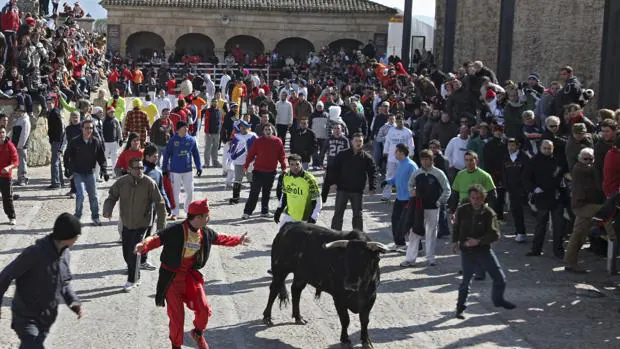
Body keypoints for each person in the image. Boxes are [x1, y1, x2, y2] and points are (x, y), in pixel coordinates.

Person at [134, 199, 250, 349]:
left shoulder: (206, 232)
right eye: (207, 215)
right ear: (198, 217)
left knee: (204, 309)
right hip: (172, 278)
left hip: (190, 277)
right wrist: (143, 245)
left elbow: (221, 238)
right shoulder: (175, 229)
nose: (209, 218)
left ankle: (197, 333)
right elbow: (157, 238)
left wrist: (239, 240)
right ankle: (176, 346)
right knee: (177, 318)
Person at [0, 213, 83, 348]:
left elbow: (65, 282)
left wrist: (73, 302)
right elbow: (5, 276)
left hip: (46, 318)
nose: (77, 239)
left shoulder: (65, 254)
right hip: (26, 317)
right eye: (76, 236)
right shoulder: (34, 254)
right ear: (66, 236)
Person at [452, 184, 515, 319]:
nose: (475, 201)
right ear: (469, 197)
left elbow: (495, 234)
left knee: (500, 278)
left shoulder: (489, 214)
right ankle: (460, 308)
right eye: (473, 198)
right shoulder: (462, 210)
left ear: (483, 199)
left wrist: (479, 241)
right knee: (466, 281)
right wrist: (455, 241)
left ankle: (498, 300)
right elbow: (456, 227)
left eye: (479, 198)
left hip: (483, 250)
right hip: (467, 250)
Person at [103, 157, 167, 292]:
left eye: (141, 167)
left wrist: (161, 227)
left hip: (143, 223)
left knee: (134, 251)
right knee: (126, 253)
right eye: (137, 168)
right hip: (126, 223)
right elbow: (112, 196)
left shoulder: (149, 183)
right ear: (129, 170)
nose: (140, 170)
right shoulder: (121, 182)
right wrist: (107, 210)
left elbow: (160, 204)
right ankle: (135, 274)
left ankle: (131, 280)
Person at [564, 148, 613, 273]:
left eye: (591, 159)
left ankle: (570, 263)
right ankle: (613, 236)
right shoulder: (579, 168)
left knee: (579, 235)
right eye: (585, 159)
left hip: (586, 205)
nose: (588, 161)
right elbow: (592, 170)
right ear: (580, 159)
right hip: (582, 205)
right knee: (606, 211)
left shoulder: (587, 168)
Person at [402, 149, 451, 267]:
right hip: (418, 207)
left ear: (431, 160)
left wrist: (440, 202)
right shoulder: (417, 173)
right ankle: (410, 258)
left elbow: (447, 189)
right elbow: (410, 184)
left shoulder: (439, 173)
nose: (424, 161)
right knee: (415, 231)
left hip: (433, 208)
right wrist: (412, 191)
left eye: (427, 159)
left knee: (431, 232)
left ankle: (430, 258)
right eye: (422, 159)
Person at [524, 139, 567, 258]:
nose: (547, 150)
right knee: (540, 225)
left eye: (549, 148)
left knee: (558, 225)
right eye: (545, 148)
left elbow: (562, 174)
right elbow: (526, 178)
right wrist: (534, 189)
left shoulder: (557, 160)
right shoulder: (534, 161)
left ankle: (558, 251)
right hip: (542, 196)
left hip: (556, 195)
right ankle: (536, 249)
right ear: (540, 148)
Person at [325, 133, 377, 231]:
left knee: (357, 215)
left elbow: (372, 173)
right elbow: (333, 169)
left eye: (360, 141)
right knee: (338, 214)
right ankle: (334, 235)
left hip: (357, 191)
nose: (358, 143)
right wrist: (333, 183)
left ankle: (357, 238)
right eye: (356, 141)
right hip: (342, 189)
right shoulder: (342, 154)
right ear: (351, 142)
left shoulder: (367, 157)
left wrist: (372, 187)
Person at [64, 119, 109, 225]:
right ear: (82, 129)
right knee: (80, 195)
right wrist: (67, 168)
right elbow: (67, 155)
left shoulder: (95, 142)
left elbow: (101, 157)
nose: (89, 130)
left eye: (91, 128)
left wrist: (104, 170)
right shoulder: (75, 141)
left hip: (90, 172)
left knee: (93, 196)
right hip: (78, 172)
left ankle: (95, 217)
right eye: (86, 128)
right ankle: (77, 216)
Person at [242, 123, 286, 219]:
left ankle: (264, 211)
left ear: (272, 130)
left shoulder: (278, 141)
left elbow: (281, 156)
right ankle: (247, 212)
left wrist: (284, 168)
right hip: (258, 171)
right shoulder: (258, 141)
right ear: (263, 131)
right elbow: (251, 154)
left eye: (269, 129)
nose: (267, 131)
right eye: (266, 129)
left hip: (271, 171)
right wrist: (246, 165)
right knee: (254, 193)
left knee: (267, 192)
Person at [381, 144, 418, 252]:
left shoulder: (411, 165)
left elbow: (416, 180)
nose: (394, 153)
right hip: (399, 198)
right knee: (395, 220)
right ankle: (399, 244)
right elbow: (396, 178)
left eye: (396, 151)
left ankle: (417, 246)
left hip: (409, 199)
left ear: (402, 152)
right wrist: (387, 181)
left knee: (407, 223)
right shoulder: (400, 164)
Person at [162, 121, 202, 220]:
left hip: (187, 170)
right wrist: (164, 168)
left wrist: (199, 166)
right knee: (175, 192)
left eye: (187, 128)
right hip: (175, 171)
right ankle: (175, 213)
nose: (186, 129)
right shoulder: (172, 140)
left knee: (190, 191)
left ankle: (188, 211)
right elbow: (166, 155)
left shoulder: (191, 140)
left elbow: (196, 154)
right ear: (178, 129)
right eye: (184, 128)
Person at [274, 154, 321, 226]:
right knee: (282, 235)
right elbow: (284, 195)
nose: (295, 167)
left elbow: (317, 200)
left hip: (304, 217)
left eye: (297, 164)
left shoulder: (309, 179)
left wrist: (313, 217)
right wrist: (279, 210)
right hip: (290, 214)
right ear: (289, 165)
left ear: (301, 164)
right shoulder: (286, 176)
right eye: (292, 164)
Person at [502, 138, 530, 243]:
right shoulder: (506, 157)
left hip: (522, 188)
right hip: (512, 189)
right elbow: (504, 173)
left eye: (513, 145)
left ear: (517, 146)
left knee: (524, 211)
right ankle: (520, 232)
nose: (510, 147)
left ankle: (522, 232)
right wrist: (506, 186)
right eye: (509, 145)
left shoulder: (524, 157)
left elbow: (526, 173)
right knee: (515, 211)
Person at [382, 114, 414, 200]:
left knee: (402, 177)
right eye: (398, 121)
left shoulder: (408, 132)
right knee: (389, 175)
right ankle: (386, 195)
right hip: (392, 157)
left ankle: (403, 194)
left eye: (401, 121)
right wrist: (385, 151)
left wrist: (411, 155)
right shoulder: (391, 130)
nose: (400, 123)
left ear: (404, 121)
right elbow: (387, 141)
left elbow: (411, 145)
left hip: (403, 159)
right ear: (395, 121)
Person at [228, 120, 257, 204]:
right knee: (238, 179)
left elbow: (258, 147)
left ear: (248, 127)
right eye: (241, 126)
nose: (243, 128)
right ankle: (235, 197)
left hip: (251, 161)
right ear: (239, 127)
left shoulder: (253, 136)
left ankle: (253, 197)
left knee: (251, 179)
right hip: (239, 161)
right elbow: (232, 148)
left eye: (245, 126)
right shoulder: (237, 136)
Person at [45, 96, 65, 189]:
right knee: (57, 161)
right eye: (48, 104)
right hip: (56, 140)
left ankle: (56, 183)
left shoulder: (55, 112)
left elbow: (60, 127)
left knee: (55, 162)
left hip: (56, 140)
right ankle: (60, 181)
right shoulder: (52, 112)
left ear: (54, 103)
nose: (49, 105)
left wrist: (56, 139)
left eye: (50, 103)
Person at [0, 126, 17, 225]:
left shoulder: (10, 145)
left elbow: (16, 161)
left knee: (7, 198)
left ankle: (12, 216)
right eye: (0, 132)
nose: (1, 134)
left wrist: (8, 167)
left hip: (6, 176)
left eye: (3, 132)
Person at [12, 108, 30, 186]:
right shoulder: (18, 120)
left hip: (21, 146)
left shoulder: (25, 121)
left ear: (23, 112)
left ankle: (23, 179)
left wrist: (20, 145)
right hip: (16, 145)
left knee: (22, 162)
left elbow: (24, 134)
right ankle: (19, 179)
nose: (17, 113)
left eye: (19, 111)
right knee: (19, 162)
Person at [102, 106, 123, 176]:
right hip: (105, 143)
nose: (112, 113)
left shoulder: (115, 120)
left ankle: (114, 173)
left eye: (113, 112)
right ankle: (103, 172)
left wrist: (121, 139)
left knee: (114, 158)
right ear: (107, 113)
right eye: (110, 112)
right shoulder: (103, 120)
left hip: (114, 142)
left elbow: (119, 130)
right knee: (104, 158)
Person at [202, 99, 222, 168]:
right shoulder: (208, 111)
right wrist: (207, 132)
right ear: (211, 103)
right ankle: (206, 163)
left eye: (216, 102)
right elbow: (206, 122)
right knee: (208, 148)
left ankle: (215, 162)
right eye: (214, 102)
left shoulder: (219, 111)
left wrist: (220, 131)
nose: (215, 103)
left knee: (215, 148)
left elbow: (220, 122)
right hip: (210, 133)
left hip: (217, 133)